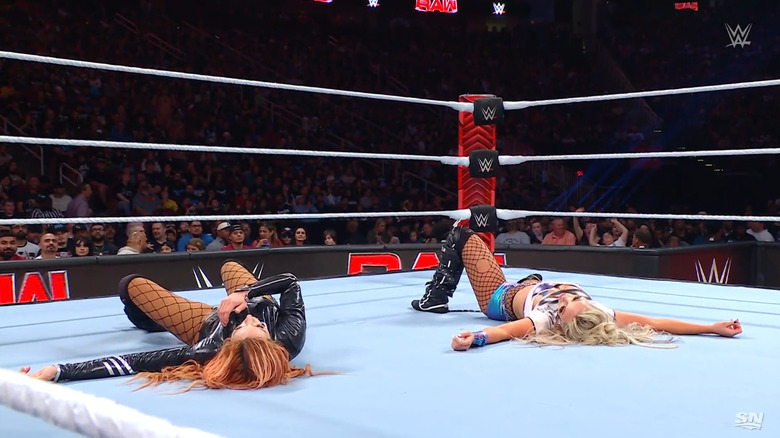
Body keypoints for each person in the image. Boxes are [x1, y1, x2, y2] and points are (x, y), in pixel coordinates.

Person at [411, 226, 743, 350]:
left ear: (561, 316)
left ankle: (435, 299)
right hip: (530, 285)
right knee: (535, 277)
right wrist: (710, 327)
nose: (569, 296)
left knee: (461, 236)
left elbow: (504, 332)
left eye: (568, 302)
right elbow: (656, 323)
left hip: (500, 297)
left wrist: (474, 338)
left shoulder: (545, 319)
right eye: (576, 298)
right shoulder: (598, 313)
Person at [22, 261, 313, 390]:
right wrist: (245, 294)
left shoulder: (207, 349)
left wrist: (59, 371)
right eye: (259, 326)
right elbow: (290, 282)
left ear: (227, 344)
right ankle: (241, 292)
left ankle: (152, 322)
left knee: (131, 284)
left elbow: (132, 362)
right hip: (254, 295)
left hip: (204, 321)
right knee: (230, 266)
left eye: (242, 328)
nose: (250, 318)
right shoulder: (290, 337)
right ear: (272, 340)